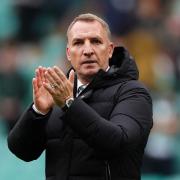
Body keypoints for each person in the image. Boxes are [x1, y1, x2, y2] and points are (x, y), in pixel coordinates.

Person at [7, 13, 153, 180]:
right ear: (68, 53)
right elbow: (22, 151)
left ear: (110, 50)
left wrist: (69, 103)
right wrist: (37, 112)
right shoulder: (58, 96)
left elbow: (118, 143)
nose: (88, 50)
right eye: (78, 43)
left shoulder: (133, 92)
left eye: (96, 41)